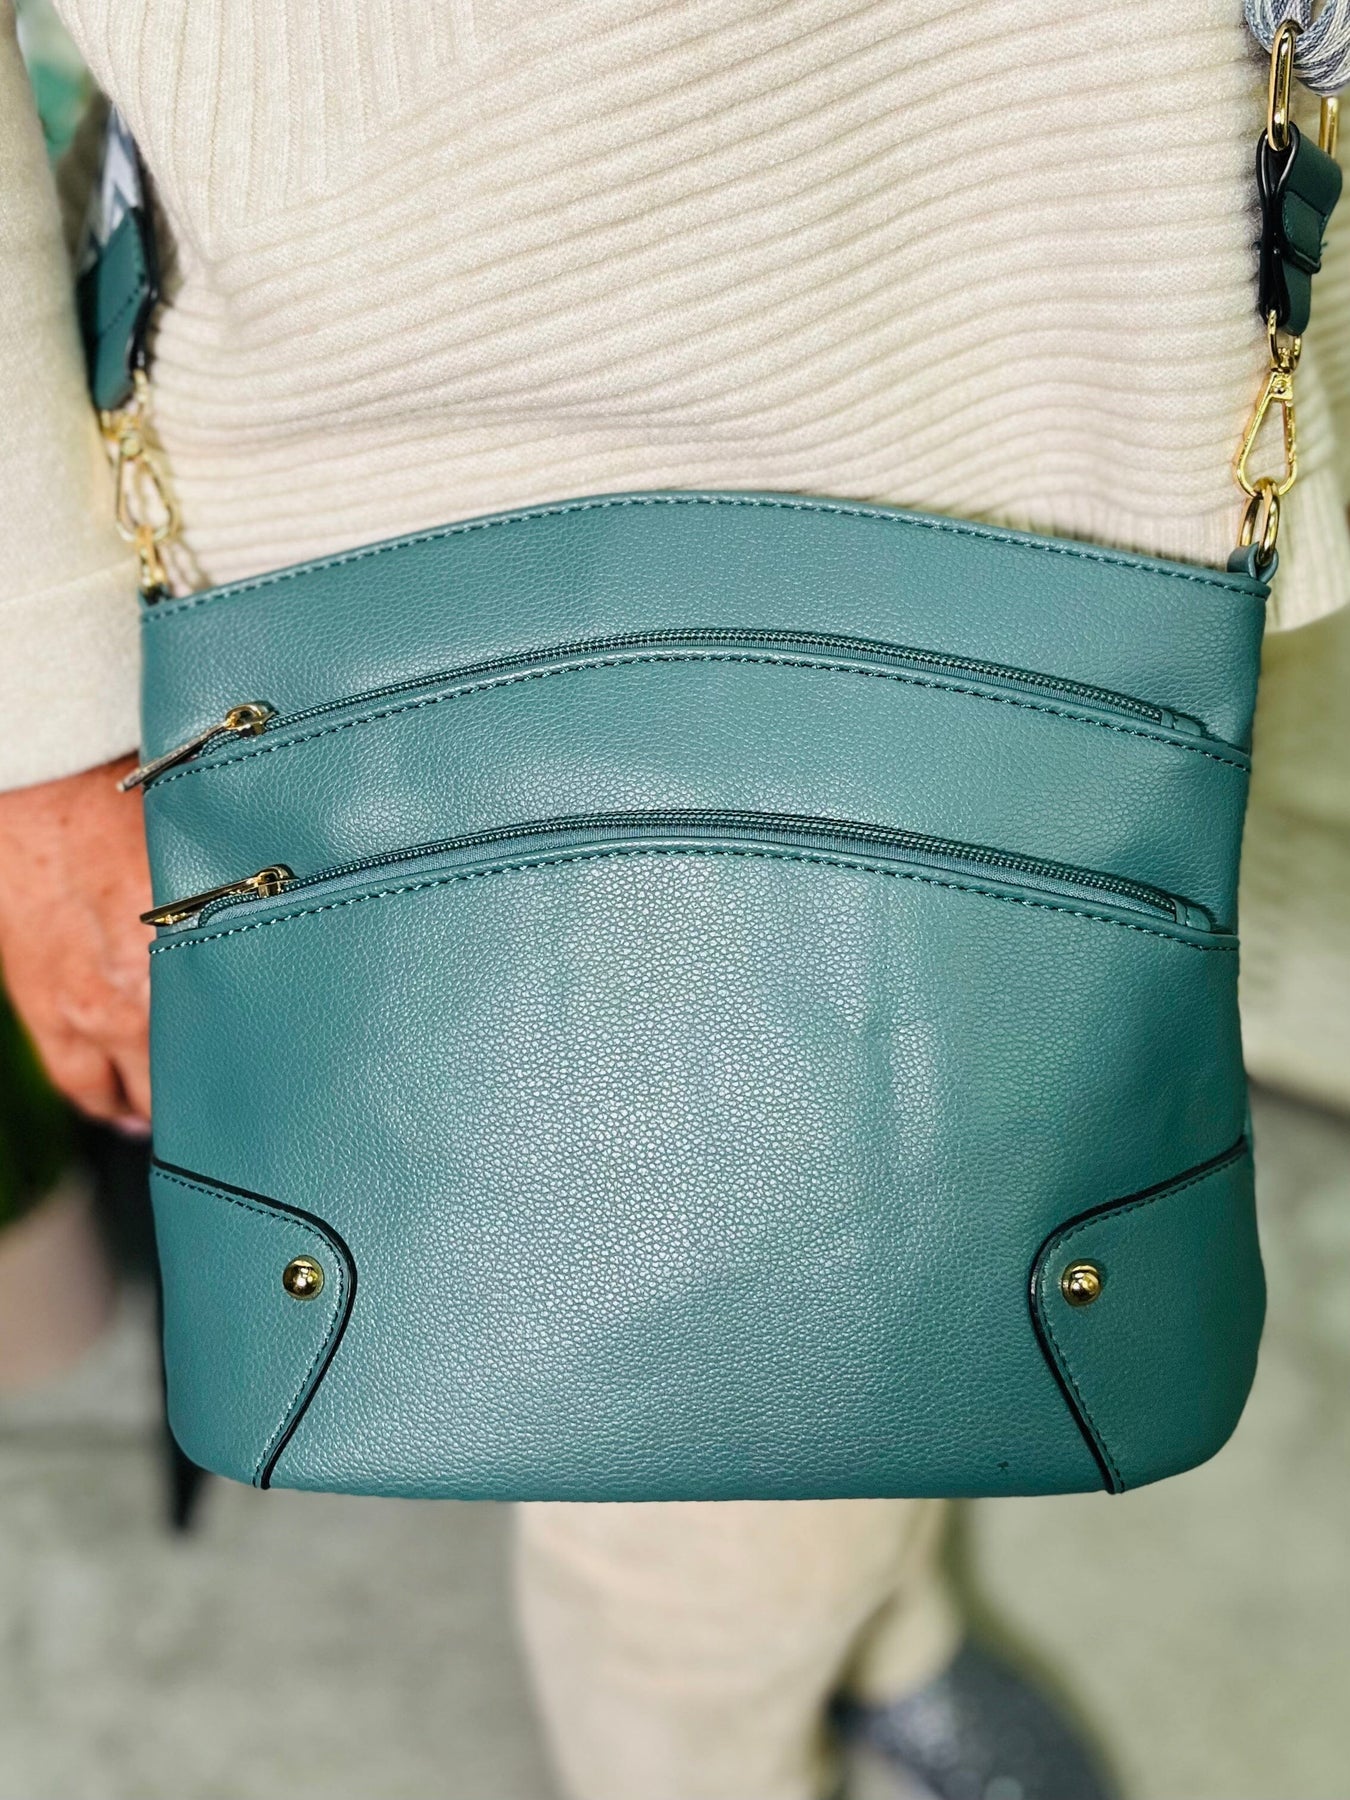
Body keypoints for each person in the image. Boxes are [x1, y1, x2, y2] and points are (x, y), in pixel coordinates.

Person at [1, 5, 1347, 1798]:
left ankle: (885, 1627)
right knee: (698, 1519)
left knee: (953, 1247)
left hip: (1112, 392)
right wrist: (37, 733)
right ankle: (814, 1689)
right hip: (414, 470)